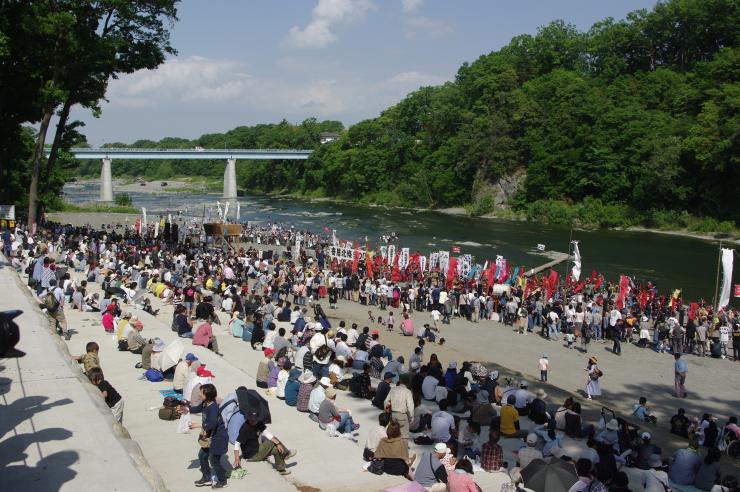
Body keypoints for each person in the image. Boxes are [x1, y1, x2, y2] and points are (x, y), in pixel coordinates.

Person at [181, 383, 228, 488]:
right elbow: (197, 409)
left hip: (218, 438)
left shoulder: (213, 408)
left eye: (201, 393)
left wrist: (198, 425)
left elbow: (212, 424)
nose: (199, 395)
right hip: (209, 436)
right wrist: (187, 409)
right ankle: (207, 478)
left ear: (207, 395)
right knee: (202, 456)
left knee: (214, 461)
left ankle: (222, 481)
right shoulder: (205, 403)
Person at [385, 374, 415, 439]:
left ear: (400, 380)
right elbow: (411, 406)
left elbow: (386, 401)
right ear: (408, 382)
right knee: (404, 436)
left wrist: (386, 411)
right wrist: (412, 417)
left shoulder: (393, 389)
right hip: (402, 416)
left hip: (393, 415)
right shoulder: (408, 392)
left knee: (393, 434)